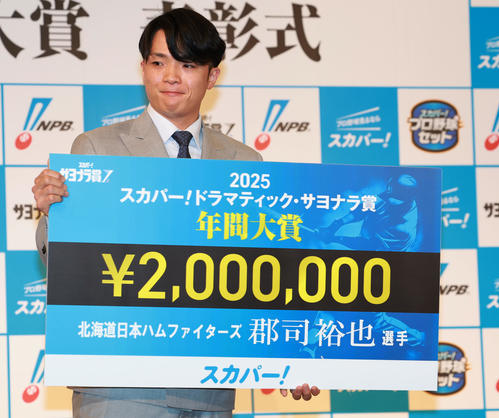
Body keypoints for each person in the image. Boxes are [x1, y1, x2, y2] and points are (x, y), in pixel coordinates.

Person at [32, 8, 319, 418]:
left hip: (211, 386)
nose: (170, 76)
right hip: (120, 385)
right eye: (158, 62)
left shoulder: (245, 162)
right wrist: (53, 216)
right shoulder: (96, 149)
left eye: (187, 65)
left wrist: (290, 356)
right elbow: (71, 267)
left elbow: (261, 274)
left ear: (212, 76)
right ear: (143, 69)